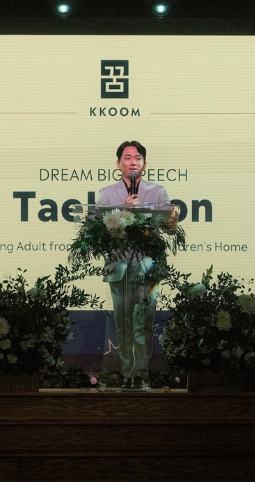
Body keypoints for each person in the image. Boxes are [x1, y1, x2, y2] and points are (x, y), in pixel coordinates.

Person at [97, 140, 171, 390]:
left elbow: (167, 227)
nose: (133, 162)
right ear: (118, 164)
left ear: (145, 164)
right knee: (124, 323)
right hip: (119, 267)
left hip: (148, 266)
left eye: (137, 158)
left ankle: (141, 373)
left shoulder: (158, 192)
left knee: (143, 322)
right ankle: (127, 371)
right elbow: (100, 232)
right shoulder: (107, 194)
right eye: (127, 158)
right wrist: (121, 213)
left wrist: (171, 220)